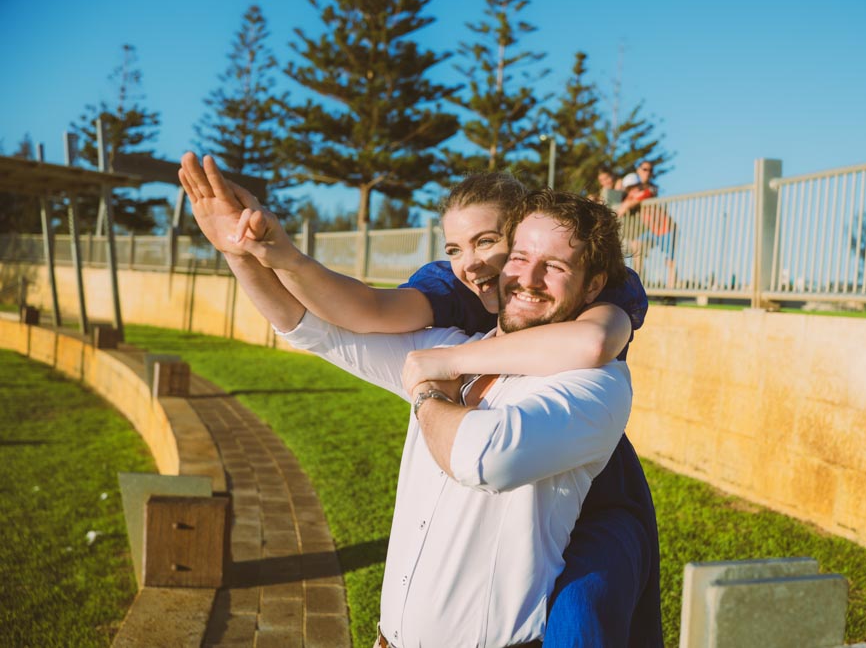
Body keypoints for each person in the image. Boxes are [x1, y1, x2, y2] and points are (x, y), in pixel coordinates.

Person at [179, 154, 661, 646]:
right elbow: (316, 329)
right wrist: (244, 253)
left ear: (593, 286)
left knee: (589, 609)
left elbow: (486, 455)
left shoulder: (594, 382)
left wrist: (430, 383)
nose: (525, 277)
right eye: (519, 258)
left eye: (553, 266)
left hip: (588, 530)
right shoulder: (450, 333)